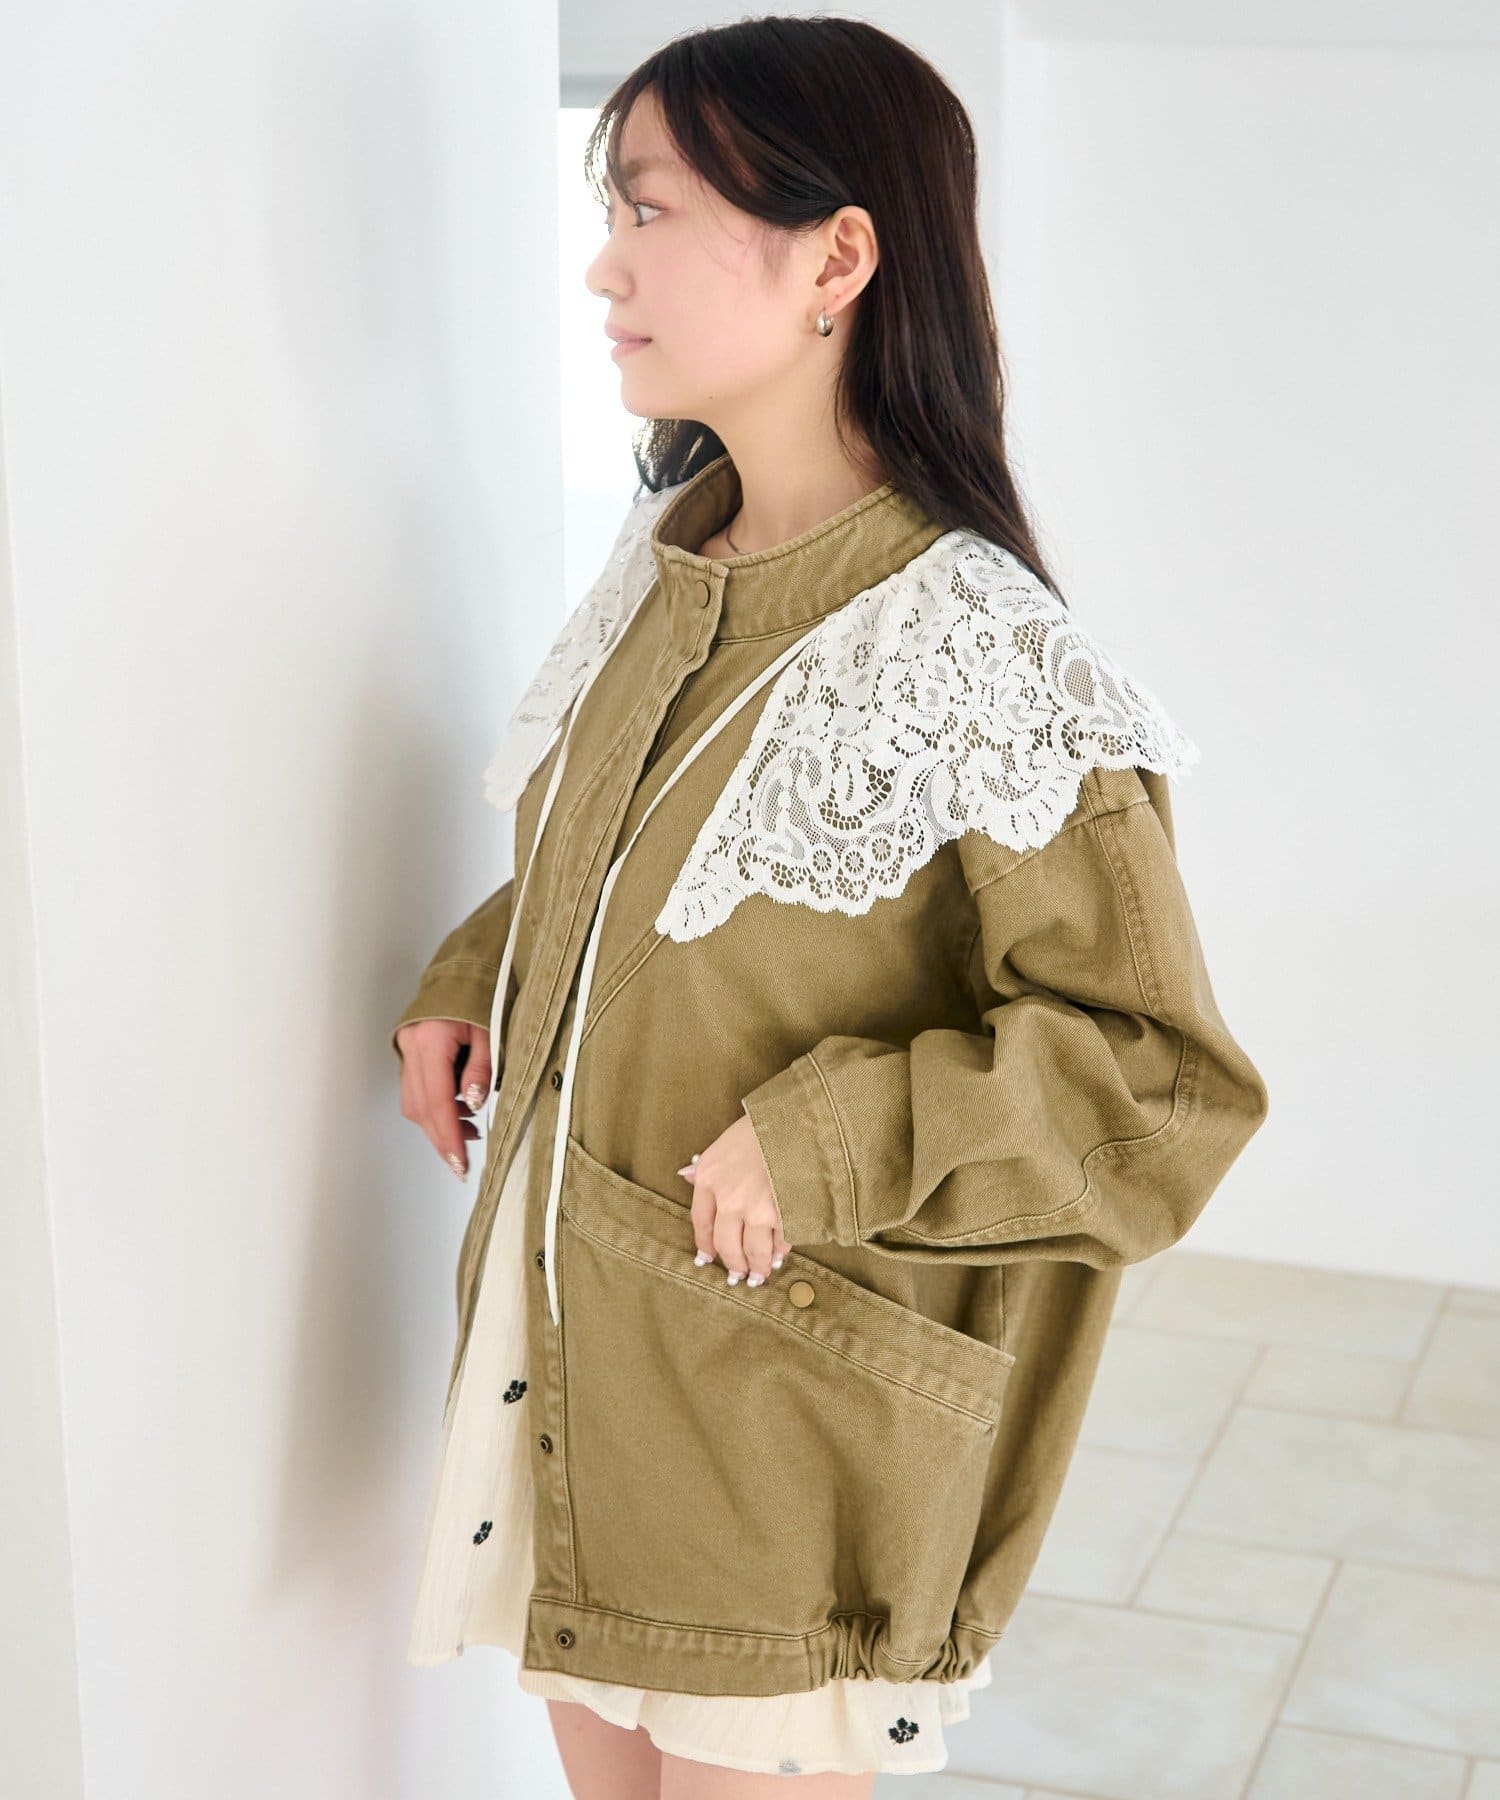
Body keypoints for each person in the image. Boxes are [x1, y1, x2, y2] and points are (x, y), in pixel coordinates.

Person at [393, 18, 1270, 1798]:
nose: (603, 264)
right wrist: (479, 968)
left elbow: (1162, 1091)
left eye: (648, 208)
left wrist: (831, 1142)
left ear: (838, 257)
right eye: (610, 209)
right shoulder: (663, 569)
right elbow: (658, 878)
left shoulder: (984, 655)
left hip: (786, 1436)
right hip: (577, 1374)